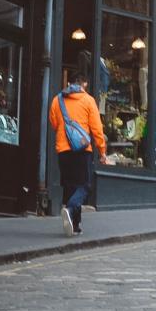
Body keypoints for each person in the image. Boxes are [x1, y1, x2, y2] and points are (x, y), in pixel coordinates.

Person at [47, 66, 105, 235]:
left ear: (70, 82)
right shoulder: (88, 100)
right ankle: (70, 208)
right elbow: (97, 129)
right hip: (82, 149)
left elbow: (54, 123)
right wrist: (101, 151)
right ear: (84, 83)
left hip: (63, 150)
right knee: (85, 186)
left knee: (70, 186)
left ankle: (75, 225)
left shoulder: (57, 100)